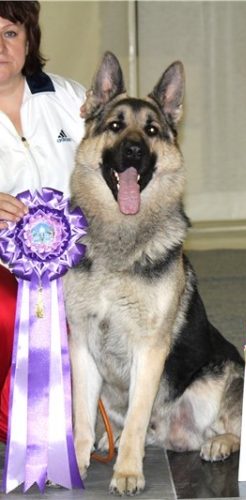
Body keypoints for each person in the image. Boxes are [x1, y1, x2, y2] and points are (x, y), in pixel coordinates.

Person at [0, 1, 85, 443]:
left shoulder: (70, 98)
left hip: (79, 264)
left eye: (10, 33)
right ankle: (19, 427)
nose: (0, 48)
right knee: (6, 308)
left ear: (29, 39)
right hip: (5, 273)